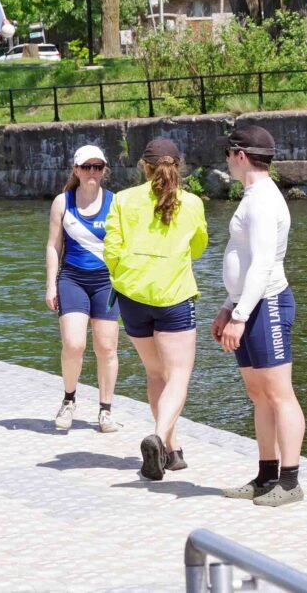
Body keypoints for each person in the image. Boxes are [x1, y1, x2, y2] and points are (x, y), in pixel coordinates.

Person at [212, 126, 305, 507]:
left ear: (239, 155)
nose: (227, 162)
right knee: (259, 394)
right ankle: (266, 475)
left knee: (280, 394)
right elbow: (245, 260)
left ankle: (291, 481)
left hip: (266, 305)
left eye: (227, 154)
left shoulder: (264, 200)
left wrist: (240, 315)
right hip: (247, 306)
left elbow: (263, 264)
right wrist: (228, 307)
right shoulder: (253, 196)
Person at [104, 138, 208, 481]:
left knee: (155, 373)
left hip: (132, 296)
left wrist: (125, 276)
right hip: (174, 296)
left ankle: (171, 451)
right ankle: (159, 438)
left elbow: (112, 249)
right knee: (178, 374)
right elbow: (197, 247)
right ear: (179, 165)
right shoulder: (191, 203)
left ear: (142, 166)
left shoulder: (122, 199)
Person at [45, 145, 121, 433]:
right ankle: (69, 399)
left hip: (106, 282)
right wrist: (51, 284)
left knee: (106, 347)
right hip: (73, 279)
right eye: (87, 167)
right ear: (76, 170)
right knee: (74, 344)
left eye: (98, 167)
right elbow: (53, 246)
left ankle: (105, 409)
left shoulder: (115, 203)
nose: (92, 172)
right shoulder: (62, 203)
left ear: (104, 170)